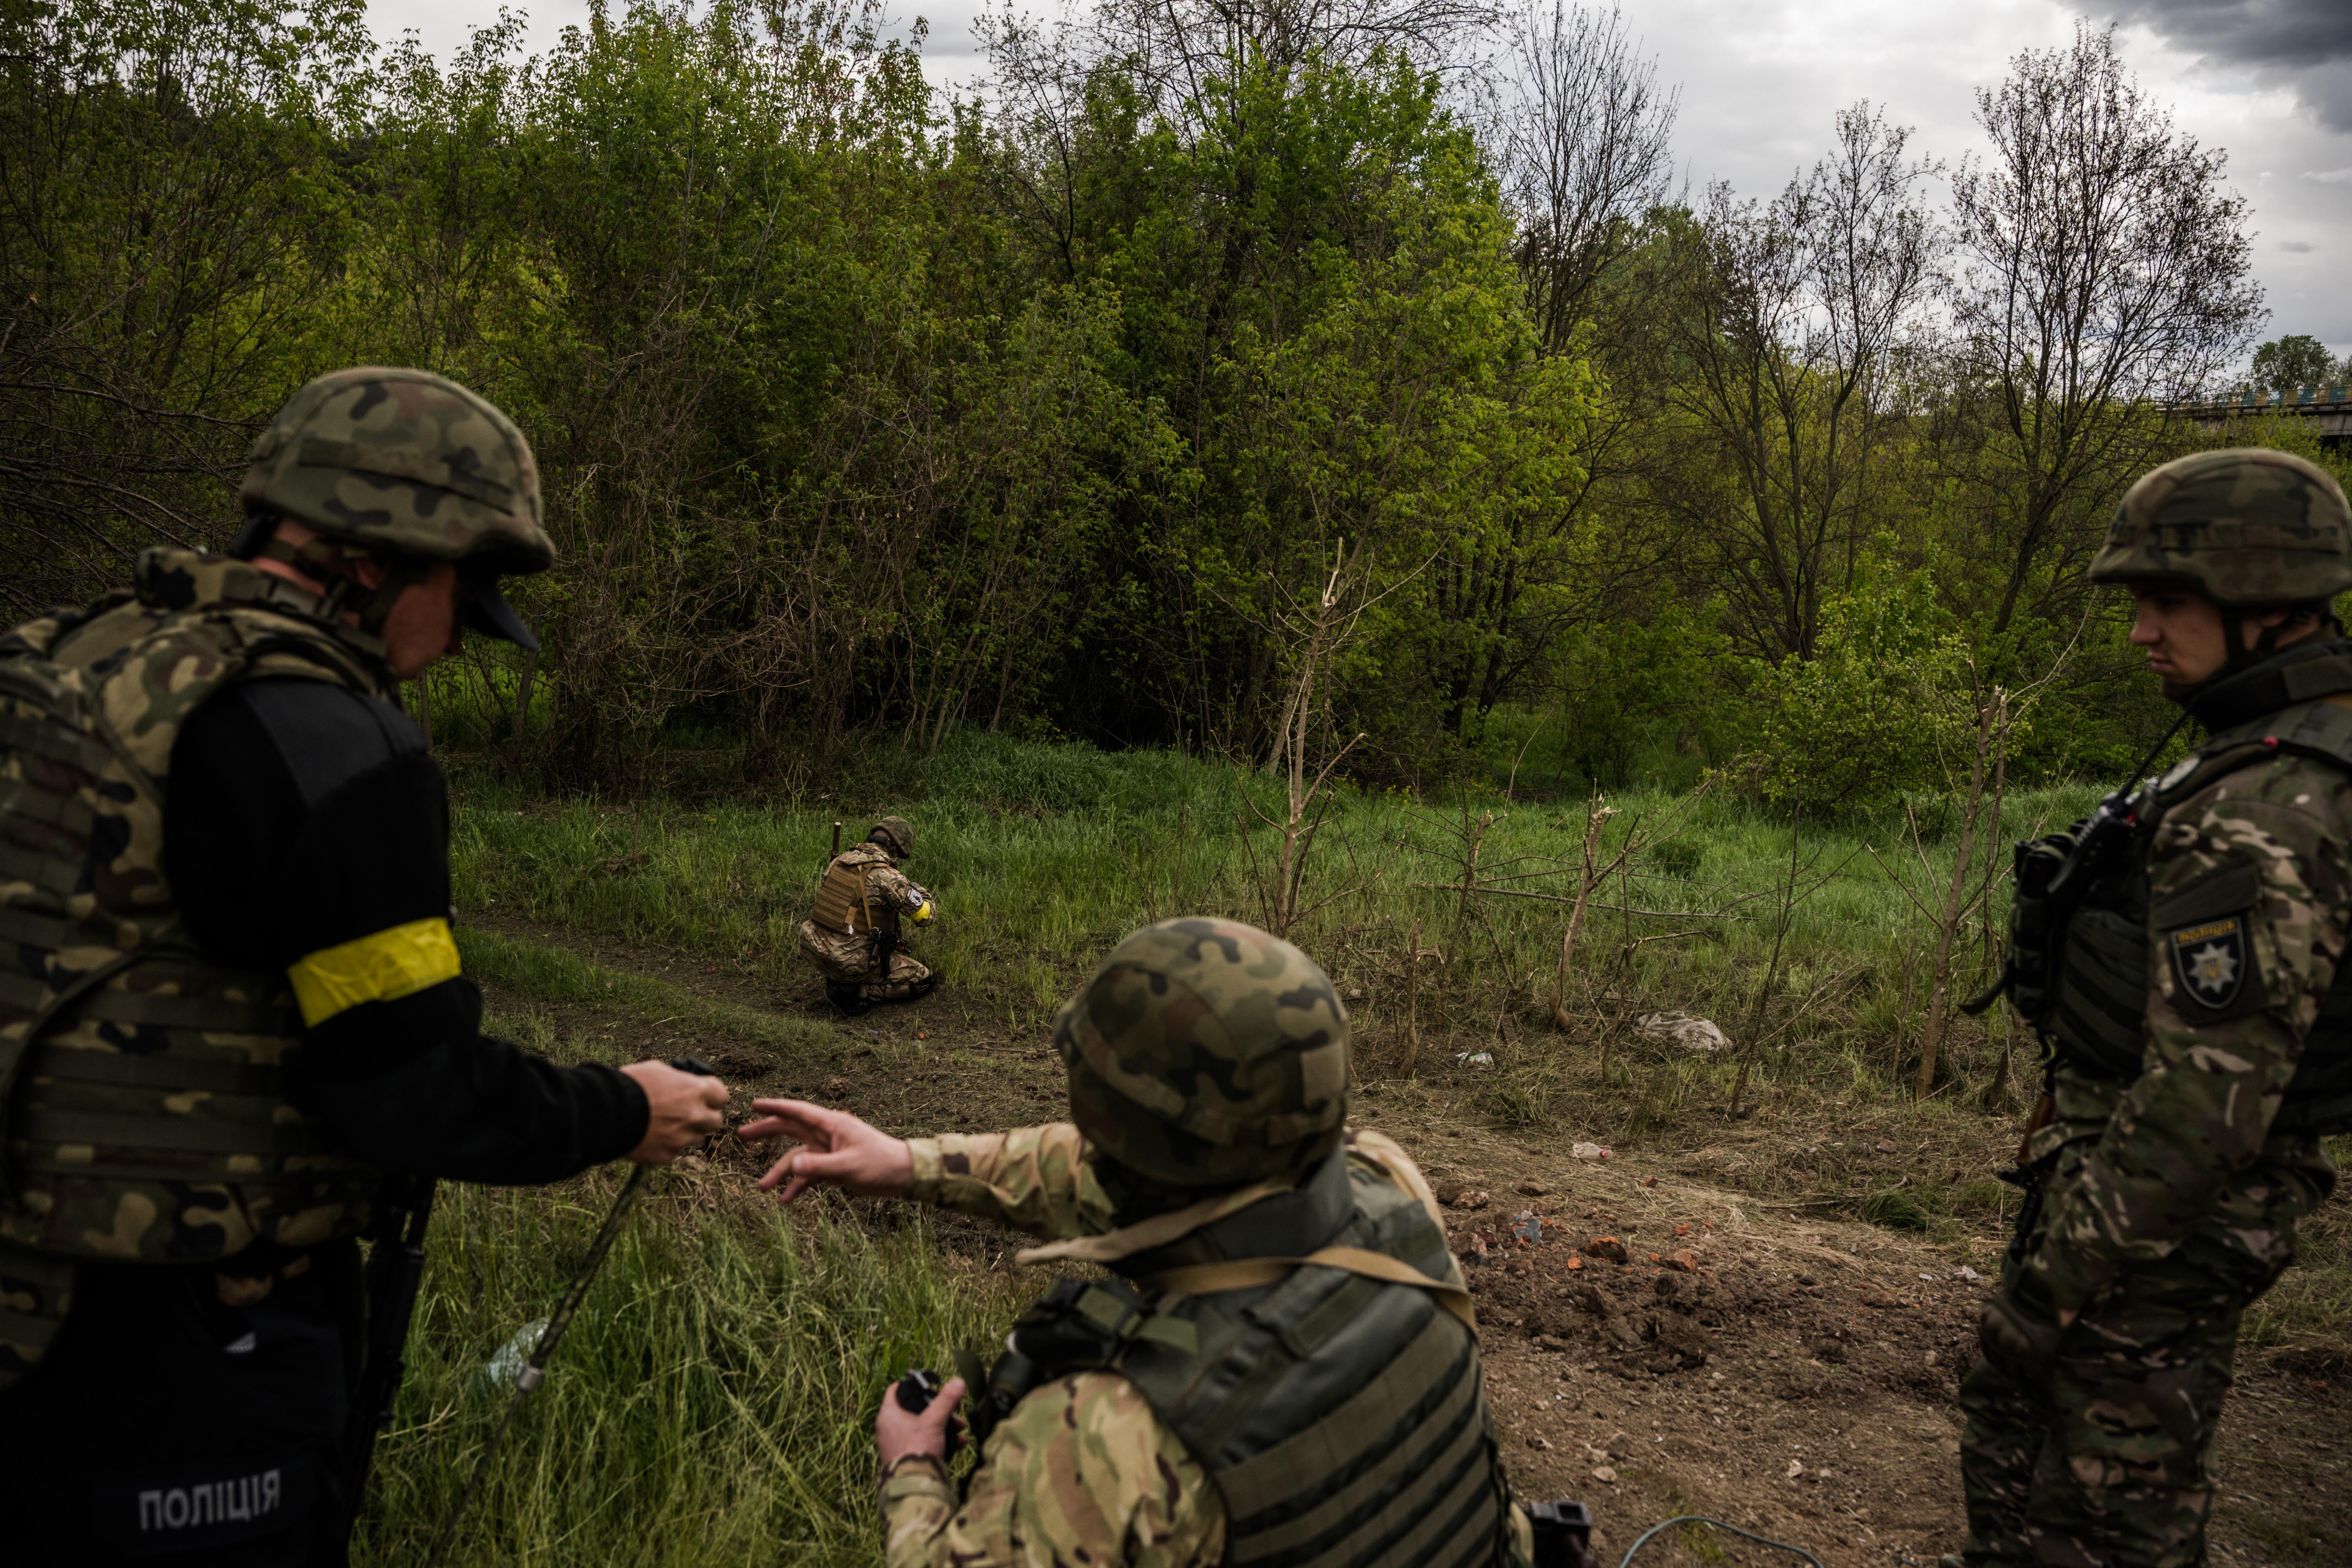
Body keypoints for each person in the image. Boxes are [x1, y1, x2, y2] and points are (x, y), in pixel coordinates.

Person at [0, 366, 731, 1566]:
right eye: (468, 600)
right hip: (182, 1346)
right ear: (394, 563)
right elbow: (412, 1090)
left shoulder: (70, 658)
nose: (449, 648)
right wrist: (623, 1107)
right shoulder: (332, 737)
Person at [745, 916, 1534, 1568]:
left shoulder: (1103, 1437)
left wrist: (913, 1468)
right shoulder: (1390, 1182)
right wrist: (908, 1162)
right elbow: (1123, 1170)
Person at [1955, 447, 2352, 1568]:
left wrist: (2056, 1282)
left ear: (2267, 602)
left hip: (2156, 1234)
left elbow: (2202, 1110)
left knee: (2109, 1508)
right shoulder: (2275, 761)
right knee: (2039, 1466)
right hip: (2148, 1208)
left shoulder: (2270, 809)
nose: (2140, 632)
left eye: (2167, 601)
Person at [799, 815, 937, 1014]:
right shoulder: (888, 877)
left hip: (815, 950)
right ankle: (856, 992)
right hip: (848, 960)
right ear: (895, 849)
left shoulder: (839, 862)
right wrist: (919, 891)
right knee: (923, 980)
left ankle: (839, 979)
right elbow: (926, 917)